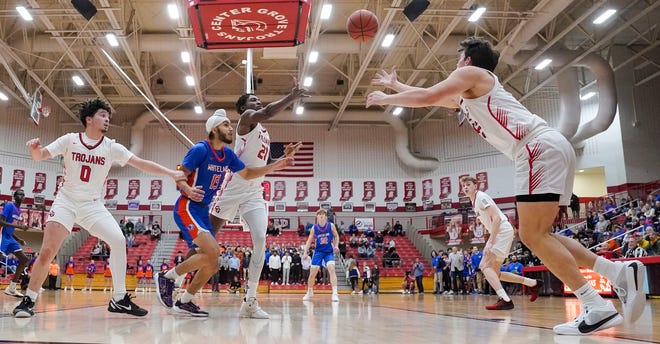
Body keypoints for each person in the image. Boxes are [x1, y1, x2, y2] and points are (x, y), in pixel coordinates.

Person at [366, 37, 645, 335]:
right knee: (542, 235)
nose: (456, 64)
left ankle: (596, 305)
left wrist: (384, 99)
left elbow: (428, 96)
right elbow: (432, 96)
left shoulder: (470, 74)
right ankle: (616, 272)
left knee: (532, 234)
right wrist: (397, 86)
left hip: (534, 148)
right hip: (547, 145)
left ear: (467, 60)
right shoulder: (471, 92)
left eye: (458, 59)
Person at [14, 98, 183, 318]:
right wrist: (34, 148)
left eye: (108, 116)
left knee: (119, 240)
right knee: (47, 251)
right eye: (103, 115)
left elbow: (141, 163)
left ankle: (119, 298)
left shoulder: (111, 147)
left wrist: (171, 173)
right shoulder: (70, 140)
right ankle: (28, 300)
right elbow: (39, 156)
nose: (107, 119)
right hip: (66, 201)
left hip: (92, 205)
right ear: (89, 119)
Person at [155, 110, 292, 317]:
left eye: (230, 124)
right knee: (213, 252)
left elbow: (247, 173)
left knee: (212, 263)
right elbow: (179, 175)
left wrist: (277, 165)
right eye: (226, 125)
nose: (231, 128)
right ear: (214, 129)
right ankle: (167, 277)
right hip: (187, 207)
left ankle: (185, 301)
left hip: (202, 211)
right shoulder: (200, 149)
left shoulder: (227, 155)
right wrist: (188, 189)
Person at [207, 83, 307, 319]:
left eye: (258, 99)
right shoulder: (247, 119)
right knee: (208, 237)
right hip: (236, 184)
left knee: (261, 239)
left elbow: (265, 159)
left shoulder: (262, 130)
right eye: (253, 100)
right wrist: (291, 96)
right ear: (243, 107)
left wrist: (284, 156)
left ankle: (250, 300)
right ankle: (174, 278)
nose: (258, 102)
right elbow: (269, 112)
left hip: (254, 190)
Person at [461, 176, 542, 309]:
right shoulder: (474, 201)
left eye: (468, 184)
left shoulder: (481, 197)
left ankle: (504, 299)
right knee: (495, 272)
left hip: (502, 231)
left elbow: (497, 218)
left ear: (475, 186)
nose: (465, 187)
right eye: (463, 186)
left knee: (484, 265)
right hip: (502, 232)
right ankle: (533, 283)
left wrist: (490, 242)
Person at [302, 209, 340, 302]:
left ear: (325, 216)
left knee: (331, 268)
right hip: (318, 252)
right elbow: (309, 241)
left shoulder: (331, 226)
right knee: (312, 274)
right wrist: (305, 252)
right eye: (319, 214)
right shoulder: (314, 228)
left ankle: (335, 293)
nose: (321, 216)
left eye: (323, 214)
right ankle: (309, 291)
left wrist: (336, 246)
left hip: (328, 252)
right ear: (317, 217)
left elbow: (336, 236)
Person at [0, 189, 32, 297]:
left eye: (23, 194)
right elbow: (1, 222)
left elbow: (10, 228)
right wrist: (19, 226)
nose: (22, 196)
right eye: (19, 194)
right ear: (15, 196)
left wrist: (18, 239)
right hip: (1, 234)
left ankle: (12, 288)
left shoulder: (19, 210)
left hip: (10, 237)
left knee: (24, 260)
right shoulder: (9, 206)